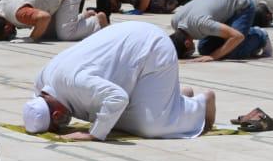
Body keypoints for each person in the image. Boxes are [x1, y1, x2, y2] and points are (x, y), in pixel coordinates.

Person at [24, 21, 215, 141]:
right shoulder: (42, 83)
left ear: (57, 115)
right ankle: (177, 98)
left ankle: (201, 103)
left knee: (150, 126)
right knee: (108, 116)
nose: (64, 124)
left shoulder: (76, 82)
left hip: (152, 47)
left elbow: (118, 98)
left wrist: (93, 134)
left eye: (58, 124)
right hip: (133, 52)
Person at [170, 0, 272, 62]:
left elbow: (237, 36)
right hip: (222, 6)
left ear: (187, 43)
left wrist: (213, 57)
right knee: (205, 49)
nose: (191, 54)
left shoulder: (201, 24)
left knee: (232, 51)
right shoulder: (175, 21)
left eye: (188, 54)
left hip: (241, 5)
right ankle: (242, 33)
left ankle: (260, 36)